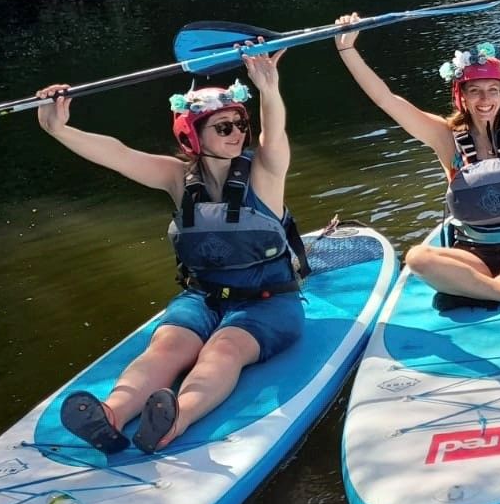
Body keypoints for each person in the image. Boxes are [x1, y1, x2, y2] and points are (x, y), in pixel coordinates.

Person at [38, 52, 304, 455]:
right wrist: (59, 129)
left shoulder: (265, 173)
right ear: (192, 137)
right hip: (202, 298)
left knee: (224, 349)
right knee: (167, 348)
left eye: (241, 124)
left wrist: (269, 87)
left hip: (268, 304)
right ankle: (110, 414)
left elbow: (275, 134)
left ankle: (175, 418)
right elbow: (118, 154)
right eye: (224, 126)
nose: (237, 133)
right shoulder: (178, 178)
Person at [333, 0, 500, 307]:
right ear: (460, 96)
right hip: (472, 253)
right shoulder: (445, 135)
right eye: (475, 91)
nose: (485, 100)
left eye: (493, 90)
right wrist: (347, 50)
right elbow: (385, 99)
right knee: (418, 257)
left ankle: (473, 290)